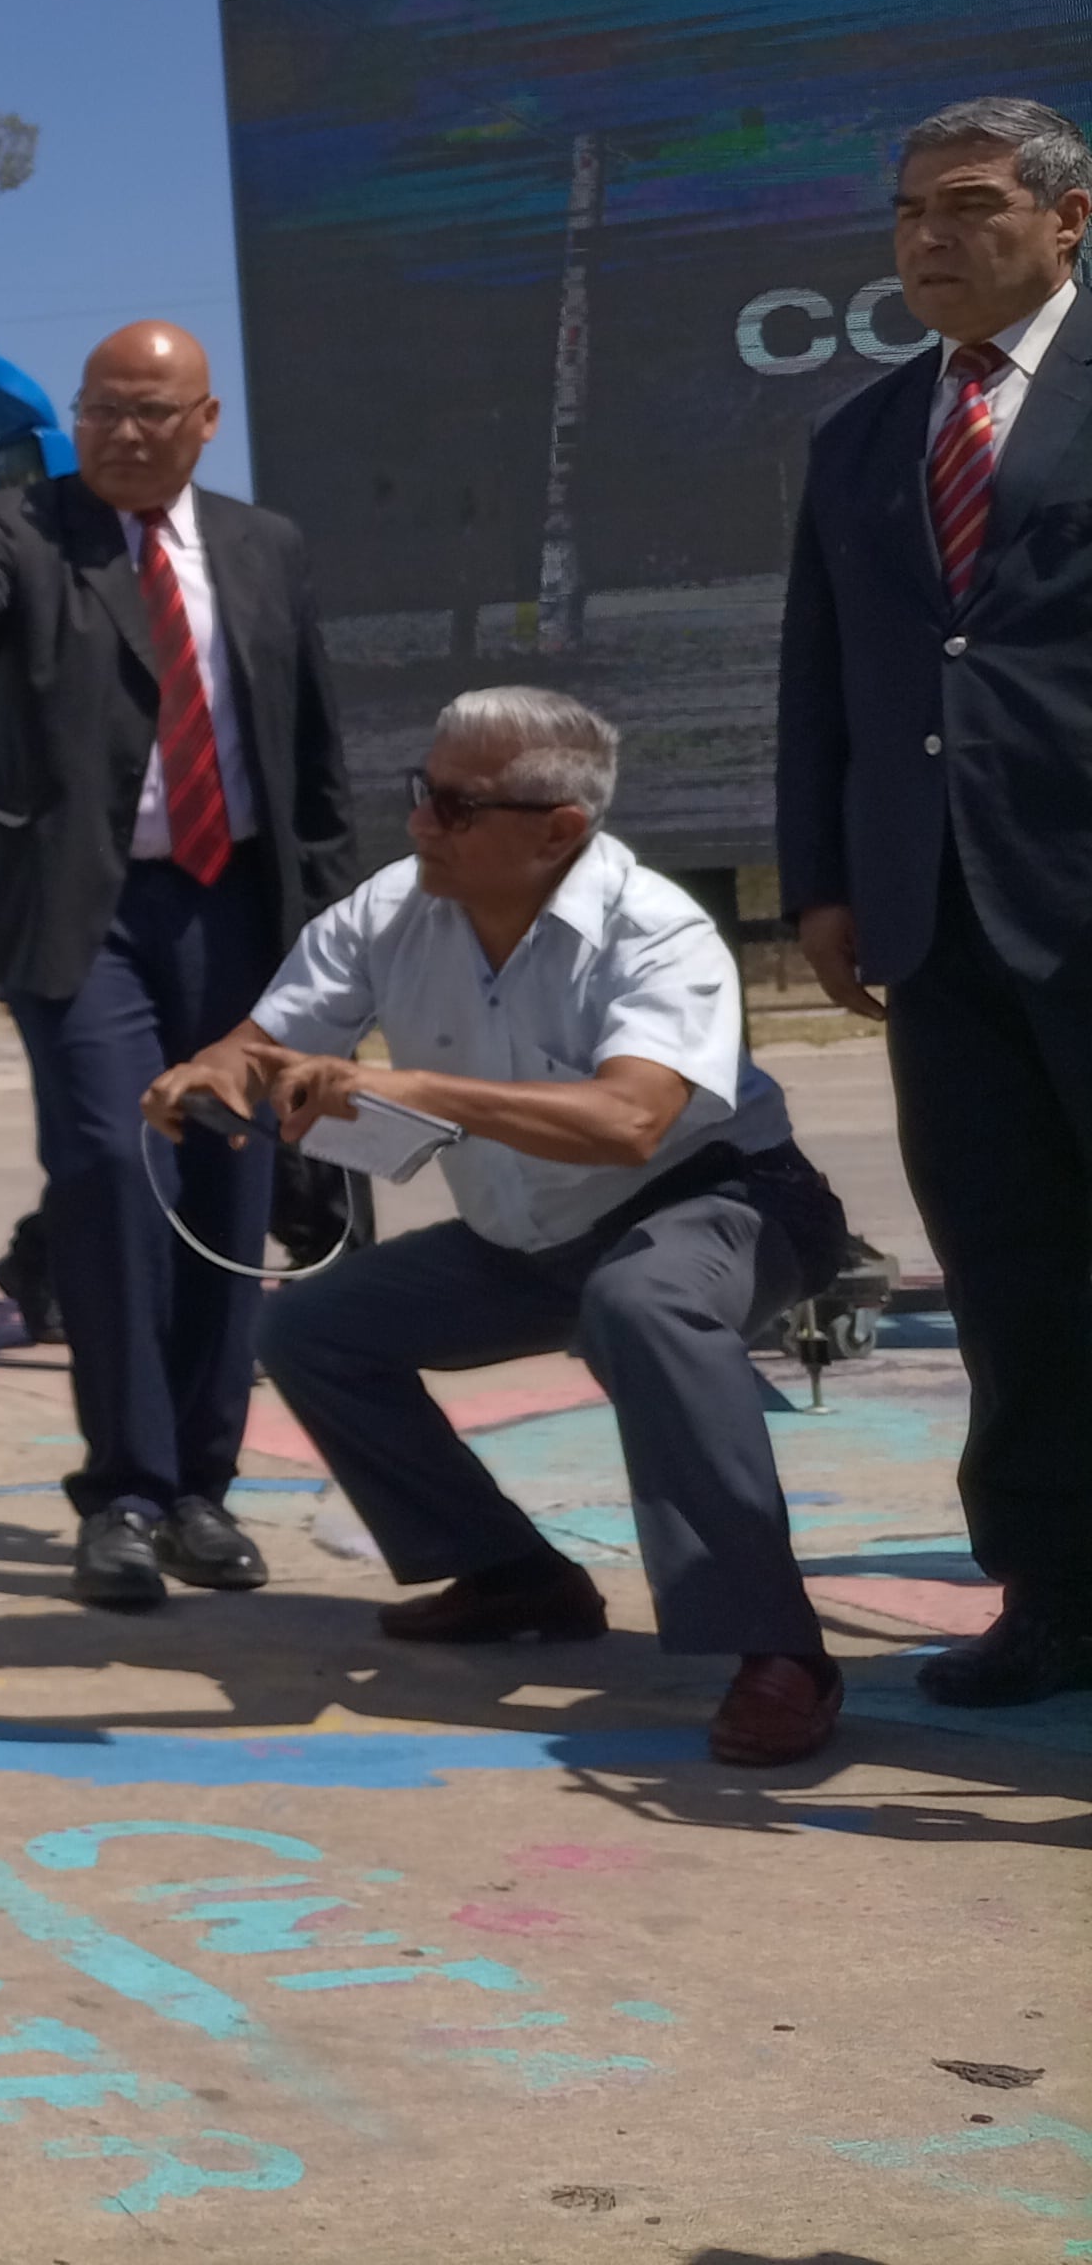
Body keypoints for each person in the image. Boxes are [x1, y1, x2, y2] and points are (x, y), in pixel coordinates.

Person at [163, 688, 851, 1769]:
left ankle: (777, 1650)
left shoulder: (656, 929)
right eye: (418, 793)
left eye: (450, 804)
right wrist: (209, 1071)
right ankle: (511, 1575)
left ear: (558, 830)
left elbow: (632, 1121)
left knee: (642, 1300)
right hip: (528, 1239)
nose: (419, 823)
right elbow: (262, 1041)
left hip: (721, 1202)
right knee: (312, 1330)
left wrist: (418, 1089)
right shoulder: (389, 909)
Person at [0, 322, 358, 1607]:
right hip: (82, 919)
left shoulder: (266, 549)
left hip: (239, 918)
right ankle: (125, 1493)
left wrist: (335, 946)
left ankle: (202, 1489)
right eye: (100, 411)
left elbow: (313, 754)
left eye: (150, 414)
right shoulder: (23, 532)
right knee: (106, 1164)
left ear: (205, 422)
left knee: (229, 1192)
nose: (121, 434)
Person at [778, 94, 1092, 1709]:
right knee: (1010, 1270)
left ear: (1069, 220)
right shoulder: (859, 437)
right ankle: (1050, 1594)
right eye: (908, 213)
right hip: (938, 923)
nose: (930, 238)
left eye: (968, 206)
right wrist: (820, 885)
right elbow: (822, 681)